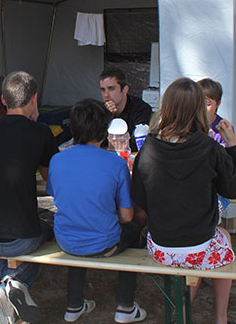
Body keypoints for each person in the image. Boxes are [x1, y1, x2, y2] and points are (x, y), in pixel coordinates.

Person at [131, 77, 236, 324]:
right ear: (198, 110)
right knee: (222, 239)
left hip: (161, 247)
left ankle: (183, 314)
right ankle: (220, 318)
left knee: (207, 244)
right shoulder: (209, 147)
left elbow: (138, 199)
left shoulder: (148, 147)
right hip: (199, 245)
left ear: (166, 107)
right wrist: (233, 146)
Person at [0, 71, 58, 324]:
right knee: (47, 226)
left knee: (5, 237)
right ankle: (11, 285)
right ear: (34, 99)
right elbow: (50, 181)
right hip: (19, 238)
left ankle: (8, 288)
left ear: (4, 101)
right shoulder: (40, 132)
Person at [47, 99, 147, 323]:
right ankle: (125, 305)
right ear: (105, 131)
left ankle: (73, 304)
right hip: (104, 243)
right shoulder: (116, 164)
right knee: (132, 231)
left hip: (66, 240)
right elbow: (127, 217)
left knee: (80, 224)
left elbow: (57, 195)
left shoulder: (57, 160)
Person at [198, 78, 233, 218]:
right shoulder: (190, 128)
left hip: (216, 189)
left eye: (207, 104)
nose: (202, 109)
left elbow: (226, 168)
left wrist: (211, 146)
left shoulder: (222, 129)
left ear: (218, 104)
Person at [99, 66, 152, 152]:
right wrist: (106, 116)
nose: (106, 95)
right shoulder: (100, 111)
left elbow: (140, 142)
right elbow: (93, 142)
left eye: (111, 89)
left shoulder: (140, 109)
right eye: (103, 90)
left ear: (125, 90)